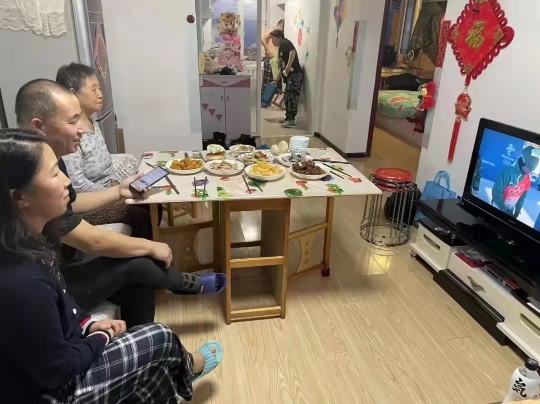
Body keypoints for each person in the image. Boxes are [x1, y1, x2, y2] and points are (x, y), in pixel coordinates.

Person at [0, 129, 223, 403]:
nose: (66, 181)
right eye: (54, 174)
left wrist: (87, 325)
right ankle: (182, 366)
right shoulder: (21, 280)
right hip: (54, 391)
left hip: (63, 358)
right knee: (161, 337)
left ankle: (167, 370)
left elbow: (63, 311)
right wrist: (101, 337)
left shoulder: (32, 242)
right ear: (19, 197)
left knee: (141, 287)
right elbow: (57, 371)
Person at [15, 79, 226, 327]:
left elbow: (73, 202)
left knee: (140, 275)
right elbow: (89, 239)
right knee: (139, 264)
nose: (81, 129)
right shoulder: (27, 174)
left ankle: (145, 339)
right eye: (72, 121)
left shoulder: (47, 160)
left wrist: (118, 191)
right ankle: (184, 286)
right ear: (38, 126)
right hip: (48, 290)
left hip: (61, 269)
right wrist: (149, 245)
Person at [56, 62, 159, 234]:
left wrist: (116, 184)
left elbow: (107, 162)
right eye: (93, 89)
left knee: (153, 202)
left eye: (99, 88)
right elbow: (77, 185)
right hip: (90, 205)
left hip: (109, 194)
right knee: (139, 215)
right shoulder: (70, 134)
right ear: (73, 94)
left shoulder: (92, 121)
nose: (100, 94)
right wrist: (112, 194)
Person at [492, 146, 540, 219]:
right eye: (529, 168)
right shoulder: (506, 172)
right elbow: (496, 192)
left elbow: (522, 197)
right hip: (498, 206)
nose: (529, 172)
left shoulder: (527, 179)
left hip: (510, 209)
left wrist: (517, 211)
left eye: (531, 170)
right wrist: (504, 210)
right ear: (523, 161)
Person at [270, 29, 303, 128]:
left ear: (279, 37)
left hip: (295, 75)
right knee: (287, 97)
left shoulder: (284, 42)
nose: (272, 40)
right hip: (290, 76)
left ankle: (291, 120)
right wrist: (276, 80)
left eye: (273, 38)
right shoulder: (280, 48)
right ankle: (288, 117)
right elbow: (282, 67)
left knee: (292, 97)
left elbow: (292, 51)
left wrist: (289, 66)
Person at [261, 20, 284, 106]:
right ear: (280, 25)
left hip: (276, 61)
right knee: (267, 81)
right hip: (270, 59)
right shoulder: (272, 30)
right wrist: (267, 49)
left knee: (276, 82)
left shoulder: (280, 34)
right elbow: (262, 38)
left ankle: (274, 101)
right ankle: (264, 101)